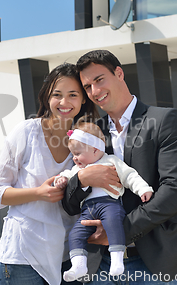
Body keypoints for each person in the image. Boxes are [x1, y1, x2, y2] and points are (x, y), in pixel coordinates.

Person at [62, 50, 177, 284]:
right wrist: (83, 180)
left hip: (153, 265)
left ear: (119, 73)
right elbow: (70, 203)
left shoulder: (165, 120)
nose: (94, 91)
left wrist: (119, 231)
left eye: (99, 79)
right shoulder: (90, 133)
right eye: (87, 86)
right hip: (99, 266)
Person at [0, 63, 98, 285]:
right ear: (47, 97)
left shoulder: (90, 139)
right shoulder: (26, 132)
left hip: (69, 255)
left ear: (83, 98)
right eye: (57, 95)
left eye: (73, 95)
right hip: (23, 255)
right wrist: (38, 193)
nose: (64, 102)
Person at [53, 120, 153, 282]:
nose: (74, 158)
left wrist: (143, 189)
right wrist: (62, 179)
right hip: (87, 209)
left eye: (77, 153)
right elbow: (68, 176)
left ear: (95, 149)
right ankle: (79, 265)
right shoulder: (79, 169)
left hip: (109, 204)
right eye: (73, 154)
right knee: (75, 234)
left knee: (113, 225)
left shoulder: (111, 161)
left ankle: (117, 260)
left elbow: (129, 175)